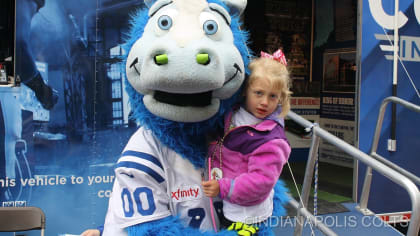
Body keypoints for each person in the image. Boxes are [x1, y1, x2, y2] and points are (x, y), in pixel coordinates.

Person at [201, 49, 292, 236]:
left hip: (246, 214)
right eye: (258, 93)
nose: (264, 102)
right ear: (246, 91)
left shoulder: (271, 140)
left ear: (281, 98)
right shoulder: (236, 112)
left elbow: (261, 182)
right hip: (227, 201)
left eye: (273, 96)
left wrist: (223, 187)